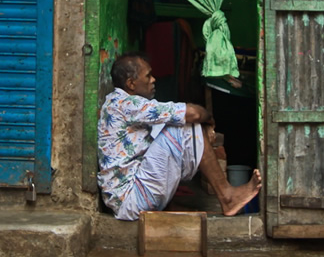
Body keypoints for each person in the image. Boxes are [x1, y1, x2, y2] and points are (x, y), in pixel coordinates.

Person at [97, 52, 261, 221]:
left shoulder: (116, 102)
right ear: (131, 84)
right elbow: (193, 113)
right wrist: (209, 119)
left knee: (173, 131)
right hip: (131, 201)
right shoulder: (127, 104)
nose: (153, 80)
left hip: (128, 199)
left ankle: (169, 206)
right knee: (185, 126)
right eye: (148, 76)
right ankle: (228, 197)